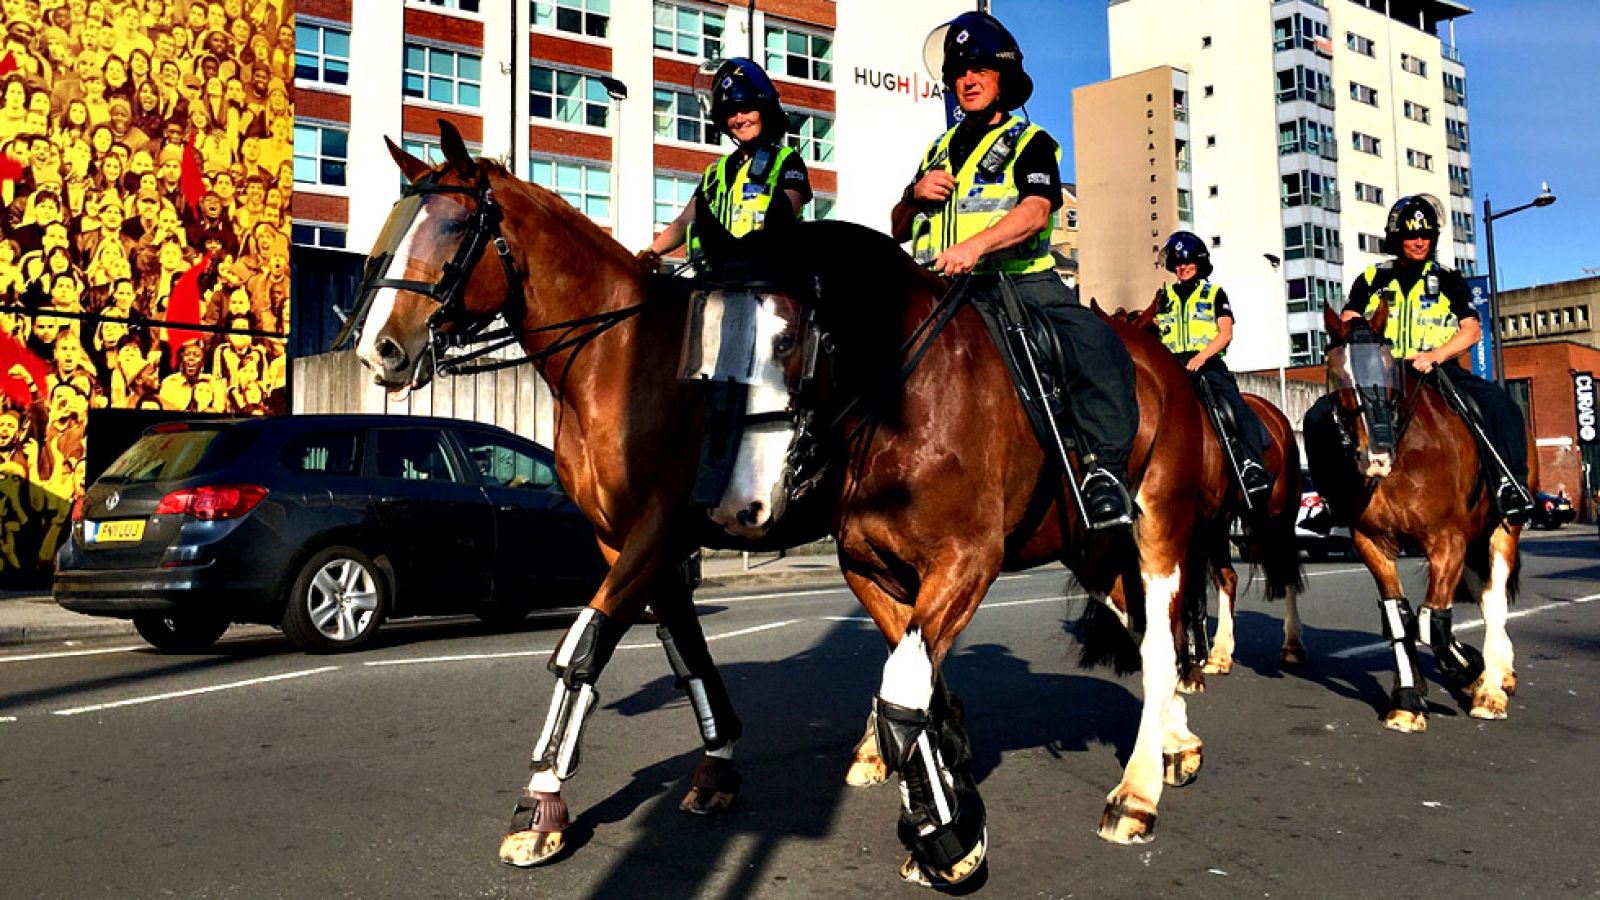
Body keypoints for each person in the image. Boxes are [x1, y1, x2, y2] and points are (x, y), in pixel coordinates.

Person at [889, 11, 1136, 530]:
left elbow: (1038, 209)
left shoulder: (1031, 142)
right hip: (943, 294)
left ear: (1003, 80)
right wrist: (913, 197)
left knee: (1095, 346)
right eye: (959, 73)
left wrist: (976, 246)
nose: (967, 81)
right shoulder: (936, 152)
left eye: (979, 70)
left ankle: (1103, 474)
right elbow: (897, 228)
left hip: (1021, 286)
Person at [1335, 194, 1532, 523]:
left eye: (1425, 235)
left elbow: (1471, 330)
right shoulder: (1373, 277)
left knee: (1503, 406)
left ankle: (1512, 487)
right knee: (1323, 418)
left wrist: (1436, 355)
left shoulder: (1449, 278)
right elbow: (1349, 317)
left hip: (1439, 370)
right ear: (1397, 239)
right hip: (1385, 374)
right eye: (1412, 235)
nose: (1419, 241)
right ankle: (1335, 498)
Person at [639, 57, 810, 270]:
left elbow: (784, 216)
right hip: (713, 282)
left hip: (769, 281)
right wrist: (648, 254)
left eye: (747, 108)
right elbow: (683, 223)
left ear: (764, 110)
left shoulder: (786, 160)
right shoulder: (714, 172)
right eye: (730, 112)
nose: (739, 118)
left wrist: (745, 250)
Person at [1152, 230, 1272, 502]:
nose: (1183, 267)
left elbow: (1225, 333)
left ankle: (1251, 465)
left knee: (1233, 407)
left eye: (1188, 261)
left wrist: (1202, 357)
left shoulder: (1214, 293)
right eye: (1178, 263)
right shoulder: (1164, 296)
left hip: (1207, 364)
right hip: (1173, 367)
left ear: (1200, 262)